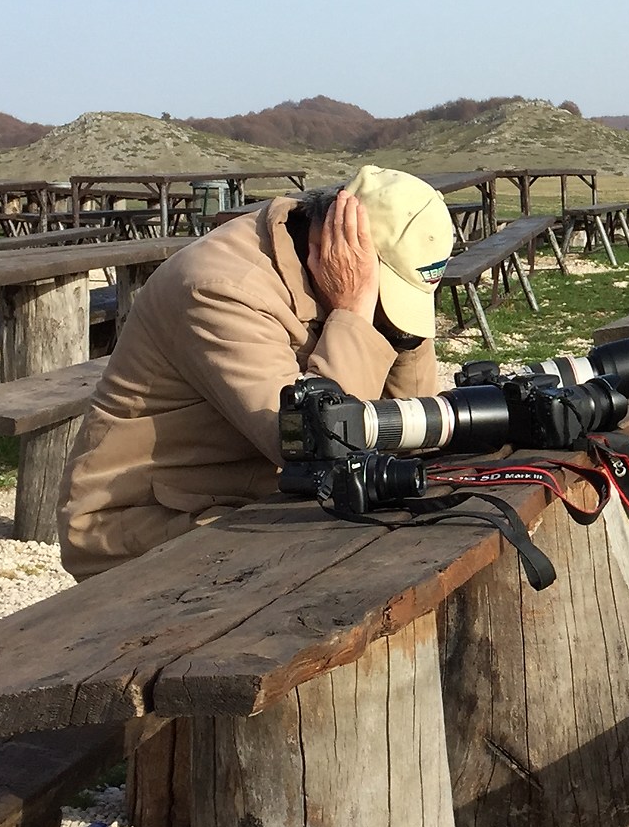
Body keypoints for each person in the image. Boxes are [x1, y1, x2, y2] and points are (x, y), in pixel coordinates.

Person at [58, 164, 455, 579]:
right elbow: (321, 446)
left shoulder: (314, 264)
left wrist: (402, 332)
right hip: (141, 521)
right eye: (382, 295)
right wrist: (355, 310)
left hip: (249, 496)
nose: (379, 311)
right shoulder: (222, 288)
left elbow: (413, 436)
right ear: (332, 243)